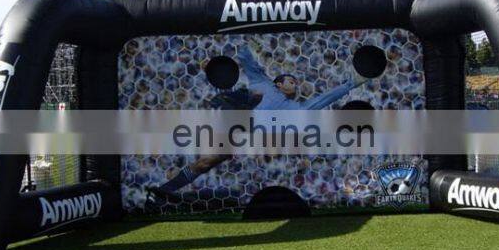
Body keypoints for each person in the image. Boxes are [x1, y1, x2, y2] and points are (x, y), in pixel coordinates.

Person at [148, 43, 369, 198]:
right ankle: (167, 188)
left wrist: (352, 84)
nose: (295, 84)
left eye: (296, 82)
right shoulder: (263, 83)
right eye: (291, 81)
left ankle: (166, 189)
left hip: (250, 135)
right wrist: (249, 46)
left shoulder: (295, 108)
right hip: (235, 120)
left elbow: (325, 98)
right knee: (206, 158)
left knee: (207, 162)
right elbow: (246, 59)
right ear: (279, 83)